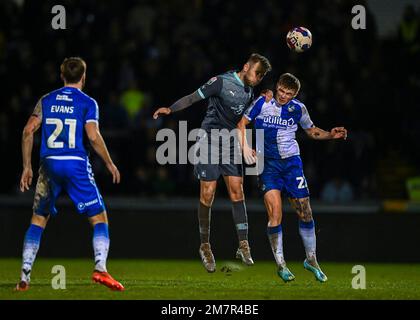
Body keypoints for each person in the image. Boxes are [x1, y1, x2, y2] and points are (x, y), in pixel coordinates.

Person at [153, 53, 272, 272]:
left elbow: (242, 121)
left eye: (261, 77)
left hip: (230, 144)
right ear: (246, 67)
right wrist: (170, 109)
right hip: (208, 140)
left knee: (237, 190)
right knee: (208, 193)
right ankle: (205, 245)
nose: (257, 79)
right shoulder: (220, 82)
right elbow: (192, 97)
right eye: (257, 74)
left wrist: (245, 144)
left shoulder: (249, 91)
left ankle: (243, 244)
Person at [16, 57, 124, 291]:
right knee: (99, 218)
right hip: (75, 164)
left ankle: (25, 275)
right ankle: (100, 269)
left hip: (49, 164)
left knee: (38, 219)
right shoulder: (88, 102)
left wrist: (27, 166)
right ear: (83, 77)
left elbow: (27, 130)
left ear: (61, 75)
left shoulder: (46, 100)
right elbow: (93, 136)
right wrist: (109, 163)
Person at [237, 73, 347, 282]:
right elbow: (241, 123)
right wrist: (245, 147)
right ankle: (281, 264)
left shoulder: (298, 109)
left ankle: (311, 260)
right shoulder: (263, 101)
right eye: (281, 91)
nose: (283, 96)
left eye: (288, 94)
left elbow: (311, 131)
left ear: (295, 94)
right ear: (276, 86)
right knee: (275, 213)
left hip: (292, 164)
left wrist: (330, 134)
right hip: (267, 165)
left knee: (305, 212)